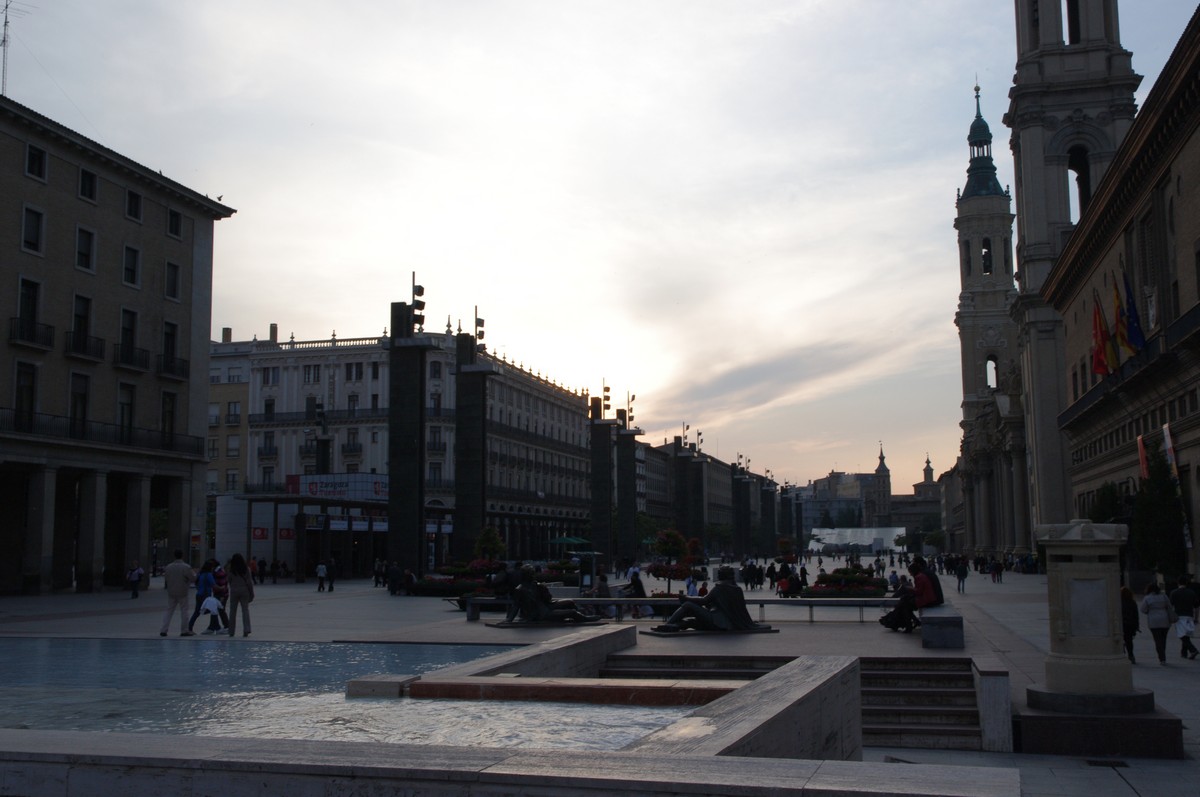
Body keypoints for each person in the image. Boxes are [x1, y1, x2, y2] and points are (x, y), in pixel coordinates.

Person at [654, 566, 763, 632]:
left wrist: (686, 598)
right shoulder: (737, 589)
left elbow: (704, 600)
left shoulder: (719, 588)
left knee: (688, 605)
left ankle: (667, 624)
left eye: (719, 573)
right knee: (691, 622)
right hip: (728, 624)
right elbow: (742, 610)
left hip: (716, 621)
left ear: (722, 575)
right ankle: (674, 626)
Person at [159, 550, 195, 637]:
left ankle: (163, 629)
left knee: (169, 611)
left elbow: (166, 578)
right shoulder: (186, 567)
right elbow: (193, 578)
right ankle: (184, 630)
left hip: (171, 591)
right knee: (184, 611)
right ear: (182, 555)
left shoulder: (169, 567)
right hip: (183, 591)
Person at [1141, 581, 1175, 665]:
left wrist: (1150, 611)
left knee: (1157, 640)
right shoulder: (1164, 596)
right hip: (1164, 619)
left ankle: (1162, 657)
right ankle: (1163, 654)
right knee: (1163, 639)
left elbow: (1143, 609)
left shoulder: (1147, 598)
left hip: (1153, 621)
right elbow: (1169, 606)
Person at [187, 560, 223, 635]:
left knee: (197, 612)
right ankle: (217, 627)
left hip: (199, 595)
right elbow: (214, 585)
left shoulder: (200, 574)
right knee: (213, 610)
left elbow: (197, 583)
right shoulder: (208, 575)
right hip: (205, 596)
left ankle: (190, 627)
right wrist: (221, 588)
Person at [1169, 575, 1198, 660]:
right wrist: (1196, 618)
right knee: (1186, 634)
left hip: (1179, 616)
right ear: (1186, 583)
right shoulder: (1191, 593)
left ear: (1178, 583)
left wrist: (1170, 617)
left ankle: (1193, 650)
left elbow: (1170, 606)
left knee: (1181, 635)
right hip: (1189, 616)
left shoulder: (1174, 593)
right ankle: (1183, 652)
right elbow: (1196, 607)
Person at [226, 553, 255, 637]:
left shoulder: (231, 570)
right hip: (244, 590)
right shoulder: (246, 569)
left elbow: (229, 580)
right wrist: (251, 593)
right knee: (245, 610)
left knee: (232, 611)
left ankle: (231, 631)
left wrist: (233, 586)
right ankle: (246, 629)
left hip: (234, 591)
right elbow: (249, 582)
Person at [1120, 585, 1140, 664]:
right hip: (1130, 624)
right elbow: (1136, 615)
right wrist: (1136, 626)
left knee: (1120, 639)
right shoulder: (1132, 602)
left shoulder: (1118, 602)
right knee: (1129, 641)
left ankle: (1121, 653)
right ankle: (1131, 655)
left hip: (1121, 624)